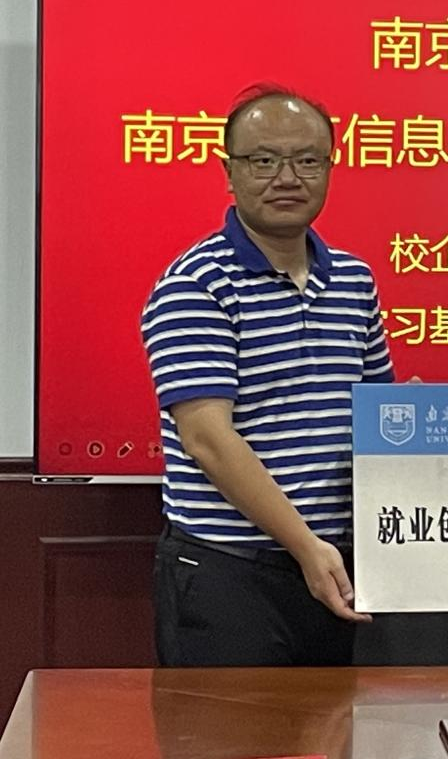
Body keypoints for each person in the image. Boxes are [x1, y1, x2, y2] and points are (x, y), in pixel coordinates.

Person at [141, 85, 394, 666]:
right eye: (263, 160)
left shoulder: (353, 280)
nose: (287, 178)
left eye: (308, 160)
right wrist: (306, 546)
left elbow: (376, 414)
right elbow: (208, 438)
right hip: (230, 573)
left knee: (337, 724)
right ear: (229, 172)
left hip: (338, 566)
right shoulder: (196, 284)